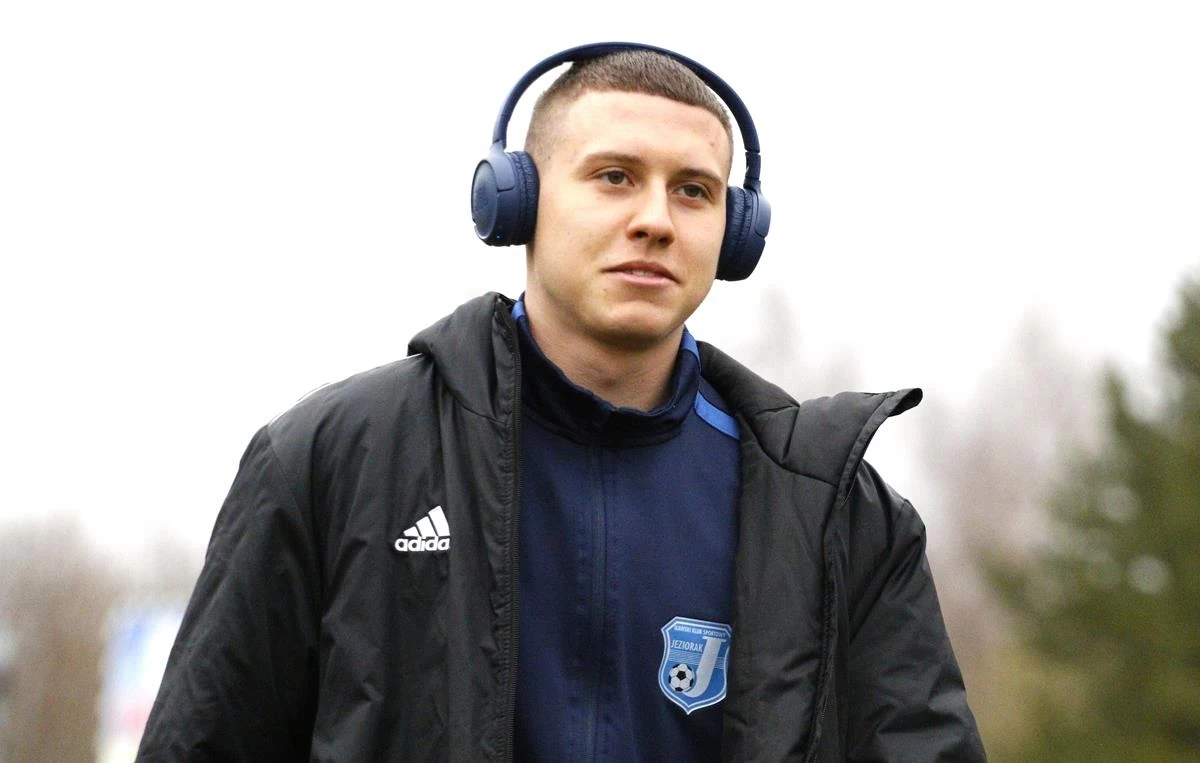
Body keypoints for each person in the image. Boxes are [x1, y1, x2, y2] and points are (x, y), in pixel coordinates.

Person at [138, 43, 986, 761]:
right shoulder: (332, 458)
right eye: (615, 177)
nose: (655, 219)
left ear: (734, 234)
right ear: (518, 201)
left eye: (693, 190)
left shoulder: (835, 510)